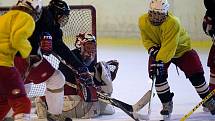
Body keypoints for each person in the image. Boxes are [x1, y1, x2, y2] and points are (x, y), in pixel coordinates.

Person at [138, 0, 215, 117]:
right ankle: (166, 103)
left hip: (181, 50)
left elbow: (169, 48)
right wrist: (152, 50)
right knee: (157, 75)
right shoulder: (142, 20)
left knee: (197, 75)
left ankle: (209, 101)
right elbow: (146, 39)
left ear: (166, 13)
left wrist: (158, 60)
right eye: (153, 13)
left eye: (159, 14)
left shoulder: (173, 23)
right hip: (159, 50)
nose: (155, 17)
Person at [13, 0, 87, 120]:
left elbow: (59, 46)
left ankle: (54, 115)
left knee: (56, 79)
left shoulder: (51, 24)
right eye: (63, 15)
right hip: (16, 59)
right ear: (57, 13)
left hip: (30, 60)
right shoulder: (42, 17)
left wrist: (79, 66)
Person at [35, 33, 119, 119]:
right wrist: (84, 86)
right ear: (80, 46)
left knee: (108, 110)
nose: (91, 50)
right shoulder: (71, 57)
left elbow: (90, 79)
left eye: (93, 47)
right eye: (88, 47)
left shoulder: (90, 60)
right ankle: (43, 101)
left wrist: (100, 81)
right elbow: (67, 81)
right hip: (69, 93)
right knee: (87, 112)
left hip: (80, 94)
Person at [0, 0, 42, 120]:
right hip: (4, 66)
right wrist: (28, 55)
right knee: (22, 102)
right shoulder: (26, 18)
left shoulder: (5, 17)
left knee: (3, 102)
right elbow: (17, 38)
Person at [202, 0, 215, 112]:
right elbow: (206, 28)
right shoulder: (210, 13)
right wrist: (212, 33)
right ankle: (213, 99)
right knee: (214, 73)